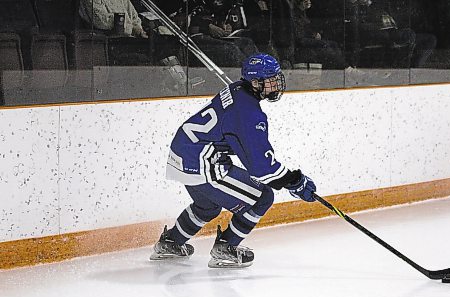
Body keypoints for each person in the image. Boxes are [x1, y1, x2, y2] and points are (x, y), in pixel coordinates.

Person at [150, 53, 317, 268]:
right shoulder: (248, 114)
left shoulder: (238, 89)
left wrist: (286, 179)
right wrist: (295, 181)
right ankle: (226, 248)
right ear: (255, 83)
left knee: (207, 206)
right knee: (262, 197)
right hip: (201, 161)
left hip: (183, 152)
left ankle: (171, 243)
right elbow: (261, 168)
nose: (276, 84)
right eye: (271, 80)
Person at [79, 0, 148, 38]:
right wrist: (132, 28)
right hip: (107, 42)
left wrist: (139, 28)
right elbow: (102, 21)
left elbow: (134, 16)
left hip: (129, 40)